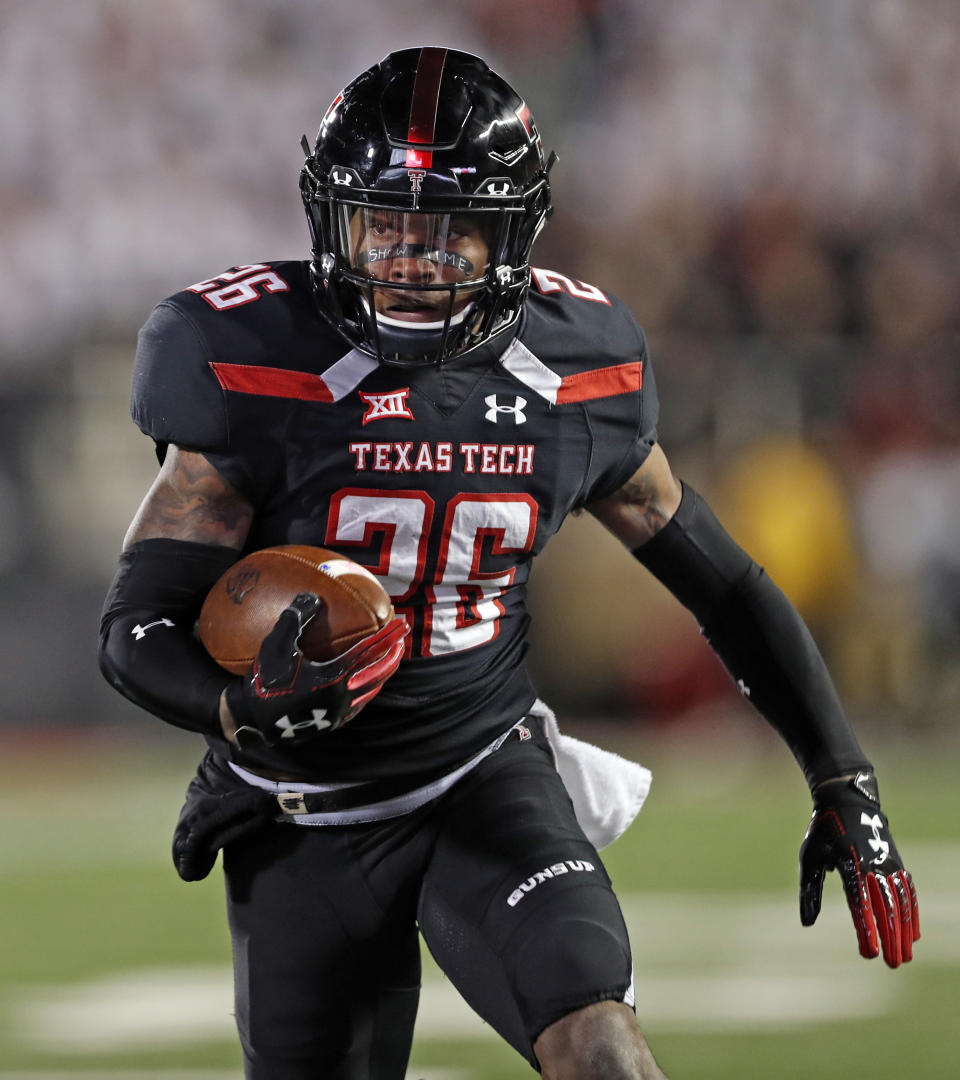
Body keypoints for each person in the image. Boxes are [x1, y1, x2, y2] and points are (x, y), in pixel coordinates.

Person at [99, 47, 919, 1080]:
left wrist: (840, 775)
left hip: (481, 773)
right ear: (331, 217)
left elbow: (724, 582)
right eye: (384, 225)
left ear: (514, 232)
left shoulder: (578, 365)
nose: (410, 259)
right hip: (304, 807)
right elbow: (138, 624)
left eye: (448, 231)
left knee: (604, 1052)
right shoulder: (249, 356)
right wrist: (237, 712)